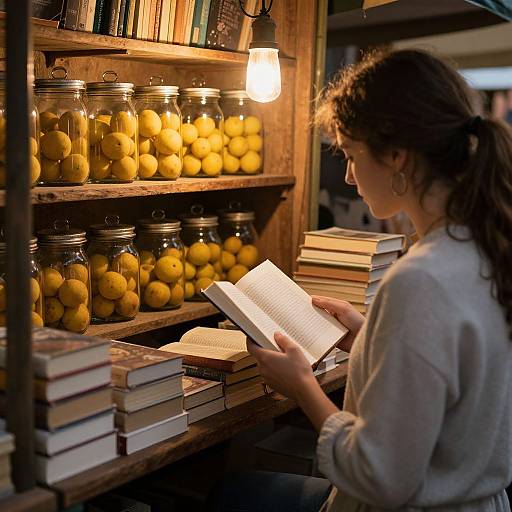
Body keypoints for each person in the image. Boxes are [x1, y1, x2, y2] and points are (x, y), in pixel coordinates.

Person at [208, 48, 512, 511]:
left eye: (351, 154)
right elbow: (457, 376)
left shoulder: (420, 282)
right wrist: (369, 338)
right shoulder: (487, 246)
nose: (348, 176)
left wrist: (303, 387)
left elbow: (381, 476)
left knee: (230, 494)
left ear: (397, 157)